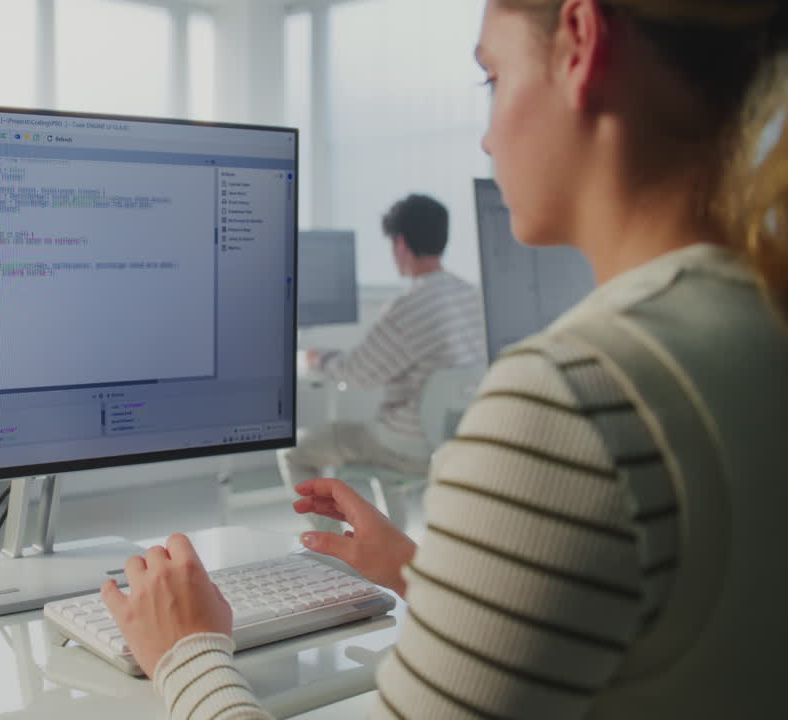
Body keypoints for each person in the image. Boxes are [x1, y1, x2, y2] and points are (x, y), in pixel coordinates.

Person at [102, 0, 788, 718]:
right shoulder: (757, 318)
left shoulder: (570, 398)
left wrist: (185, 653)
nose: (488, 139)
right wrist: (432, 575)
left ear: (580, 43)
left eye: (491, 78)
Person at [281, 194, 485, 531]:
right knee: (374, 440)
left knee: (296, 450)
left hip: (406, 445)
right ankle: (393, 538)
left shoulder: (409, 306)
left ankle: (331, 552)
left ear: (400, 242)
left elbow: (357, 374)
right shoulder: (470, 295)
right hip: (455, 438)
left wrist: (318, 359)